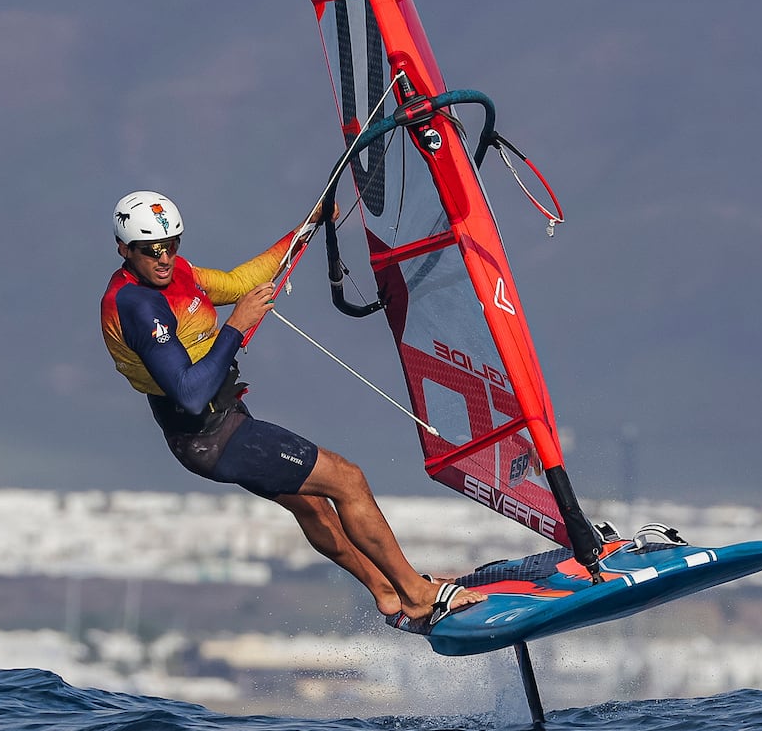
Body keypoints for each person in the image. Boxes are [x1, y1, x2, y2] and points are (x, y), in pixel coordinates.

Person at [98, 189, 478, 633]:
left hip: (225, 423)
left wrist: (308, 226)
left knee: (313, 505)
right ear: (124, 249)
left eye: (171, 244)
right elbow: (189, 394)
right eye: (150, 250)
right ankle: (416, 593)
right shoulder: (137, 306)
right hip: (210, 436)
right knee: (347, 479)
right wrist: (236, 326)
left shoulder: (177, 273)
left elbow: (239, 282)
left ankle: (386, 591)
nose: (164, 258)